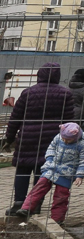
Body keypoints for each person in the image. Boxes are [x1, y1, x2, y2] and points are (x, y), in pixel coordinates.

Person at [1, 63, 76, 215]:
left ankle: (19, 202)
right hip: (51, 140)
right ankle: (34, 204)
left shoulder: (28, 92)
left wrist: (9, 138)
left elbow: (15, 118)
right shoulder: (65, 94)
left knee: (22, 169)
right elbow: (69, 121)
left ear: (39, 75)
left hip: (27, 138)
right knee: (42, 172)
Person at [15, 122, 84, 223]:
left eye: (68, 140)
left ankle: (57, 218)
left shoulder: (83, 144)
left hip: (67, 172)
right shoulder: (59, 136)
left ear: (76, 136)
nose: (65, 141)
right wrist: (49, 159)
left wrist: (80, 175)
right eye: (64, 139)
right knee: (39, 186)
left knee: (61, 196)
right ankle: (26, 208)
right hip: (51, 167)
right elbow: (51, 147)